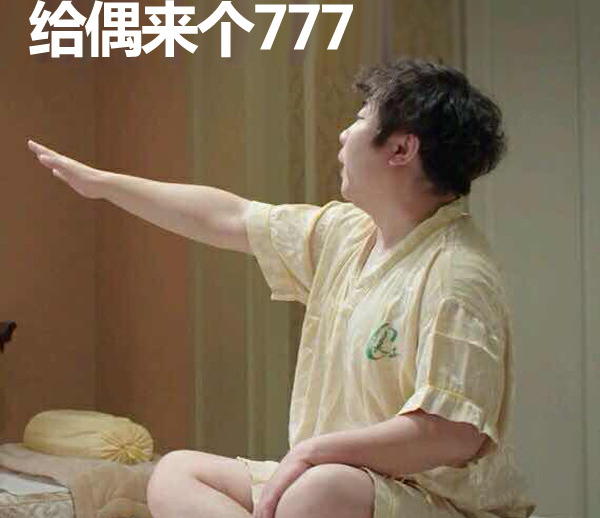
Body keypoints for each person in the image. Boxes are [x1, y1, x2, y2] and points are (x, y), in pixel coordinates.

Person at [28, 58, 536, 518]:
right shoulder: (347, 234)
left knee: (319, 491)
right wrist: (103, 185)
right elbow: (228, 217)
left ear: (401, 148)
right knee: (177, 474)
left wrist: (315, 451)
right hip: (336, 481)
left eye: (361, 119)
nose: (344, 134)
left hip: (431, 500)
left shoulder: (456, 274)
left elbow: (452, 433)